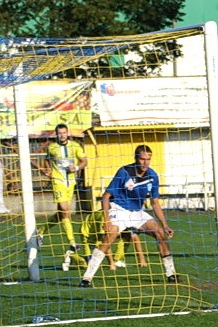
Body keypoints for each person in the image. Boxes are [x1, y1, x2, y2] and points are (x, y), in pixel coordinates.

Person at [79, 145, 177, 287]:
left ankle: (171, 275)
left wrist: (165, 225)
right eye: (142, 159)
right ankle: (86, 279)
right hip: (118, 209)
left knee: (160, 233)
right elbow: (106, 196)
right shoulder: (124, 172)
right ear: (136, 158)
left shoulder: (152, 176)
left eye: (148, 159)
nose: (145, 163)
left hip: (137, 212)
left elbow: (155, 202)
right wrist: (106, 220)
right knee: (110, 235)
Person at [40, 123, 88, 270]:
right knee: (65, 209)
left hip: (71, 182)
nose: (62, 135)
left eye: (64, 132)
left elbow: (84, 161)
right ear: (56, 134)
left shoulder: (75, 146)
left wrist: (77, 167)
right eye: (59, 133)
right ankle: (72, 242)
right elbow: (46, 160)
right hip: (57, 181)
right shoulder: (52, 147)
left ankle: (41, 231)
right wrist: (47, 170)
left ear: (67, 133)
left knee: (62, 214)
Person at [79, 209, 147, 270]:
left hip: (100, 232)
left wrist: (141, 259)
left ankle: (117, 260)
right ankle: (71, 256)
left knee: (127, 235)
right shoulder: (105, 218)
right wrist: (111, 264)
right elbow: (105, 241)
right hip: (87, 234)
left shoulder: (124, 216)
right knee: (89, 265)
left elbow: (134, 237)